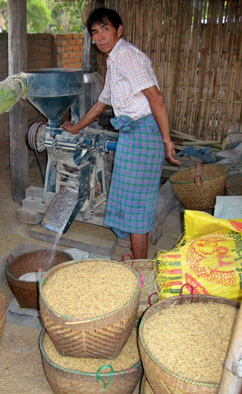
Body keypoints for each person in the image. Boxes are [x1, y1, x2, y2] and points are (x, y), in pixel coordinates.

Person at [62, 7, 181, 259]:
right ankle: (136, 259)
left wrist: (167, 139)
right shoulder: (114, 60)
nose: (100, 37)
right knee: (128, 200)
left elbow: (156, 98)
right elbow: (100, 104)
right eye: (95, 32)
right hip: (131, 136)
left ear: (119, 30)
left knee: (137, 208)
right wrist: (75, 127)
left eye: (105, 29)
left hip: (144, 135)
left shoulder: (127, 56)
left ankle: (140, 269)